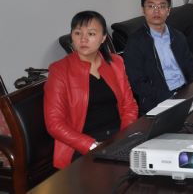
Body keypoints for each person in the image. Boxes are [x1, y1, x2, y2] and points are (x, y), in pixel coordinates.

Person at [44, 11, 138, 169]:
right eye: (77, 33)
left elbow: (129, 105)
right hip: (82, 146)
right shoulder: (59, 71)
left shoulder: (115, 62)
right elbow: (54, 124)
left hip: (118, 136)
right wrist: (92, 145)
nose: (83, 39)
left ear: (103, 38)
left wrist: (124, 138)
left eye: (91, 33)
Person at [123, 0, 193, 115]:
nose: (156, 11)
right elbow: (137, 83)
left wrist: (192, 90)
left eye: (162, 6)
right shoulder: (135, 42)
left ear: (168, 10)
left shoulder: (178, 36)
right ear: (143, 10)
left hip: (186, 93)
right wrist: (169, 97)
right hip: (157, 101)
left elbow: (192, 68)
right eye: (151, 6)